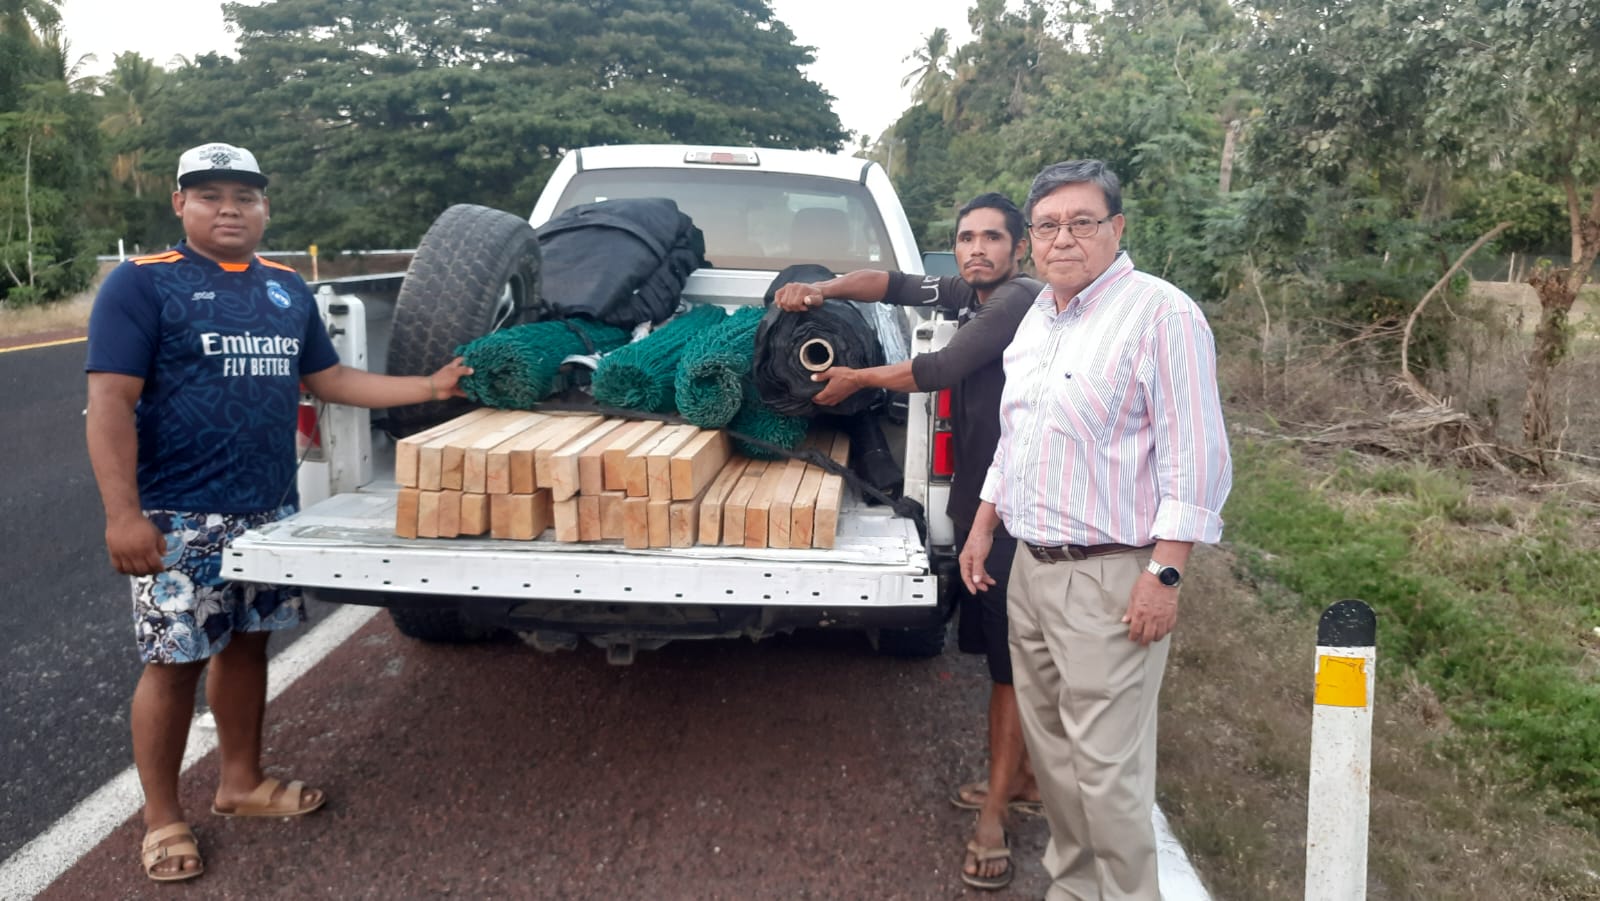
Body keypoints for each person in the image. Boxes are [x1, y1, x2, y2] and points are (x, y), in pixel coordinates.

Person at [84, 142, 472, 884]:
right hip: (180, 514)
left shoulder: (287, 289)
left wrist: (430, 384)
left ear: (265, 206)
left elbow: (330, 379)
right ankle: (163, 816)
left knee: (247, 645)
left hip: (266, 512)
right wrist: (123, 515)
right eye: (209, 195)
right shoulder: (141, 284)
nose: (228, 208)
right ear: (179, 204)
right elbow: (109, 402)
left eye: (243, 195)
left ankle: (241, 782)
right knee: (173, 662)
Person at [959, 160, 1232, 900]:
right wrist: (986, 522)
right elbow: (1019, 436)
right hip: (1032, 567)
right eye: (1047, 225)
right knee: (1053, 759)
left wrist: (1166, 572)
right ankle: (1074, 889)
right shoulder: (1039, 317)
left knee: (1106, 771)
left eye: (1083, 222)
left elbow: (1196, 453)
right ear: (1032, 241)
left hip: (1112, 574)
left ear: (1117, 228)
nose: (1064, 238)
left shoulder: (1160, 314)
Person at [773, 193, 1043, 891]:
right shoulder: (969, 288)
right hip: (985, 502)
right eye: (965, 238)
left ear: (1019, 247)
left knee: (1012, 667)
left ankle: (993, 812)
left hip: (1018, 506)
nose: (976, 248)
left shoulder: (1015, 301)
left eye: (992, 237)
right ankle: (1024, 779)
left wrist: (855, 379)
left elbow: (941, 368)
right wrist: (823, 289)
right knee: (1003, 654)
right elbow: (888, 284)